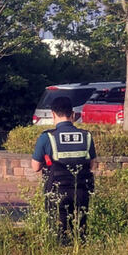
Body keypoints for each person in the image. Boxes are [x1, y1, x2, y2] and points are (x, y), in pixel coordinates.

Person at [31, 95, 96, 242]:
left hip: (57, 192)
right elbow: (91, 164)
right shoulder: (87, 136)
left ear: (53, 114)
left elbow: (35, 167)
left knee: (58, 232)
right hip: (82, 191)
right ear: (72, 114)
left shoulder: (47, 137)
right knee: (80, 231)